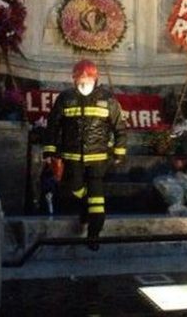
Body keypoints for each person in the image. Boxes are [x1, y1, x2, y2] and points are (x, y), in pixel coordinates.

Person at [43, 60, 126, 250]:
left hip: (98, 158)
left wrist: (119, 152)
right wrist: (50, 150)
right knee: (75, 188)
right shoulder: (65, 98)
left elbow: (120, 128)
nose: (83, 81)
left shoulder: (108, 99)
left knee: (97, 199)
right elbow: (53, 126)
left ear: (95, 78)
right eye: (79, 77)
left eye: (87, 77)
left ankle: (93, 235)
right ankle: (85, 207)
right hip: (72, 157)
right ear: (74, 78)